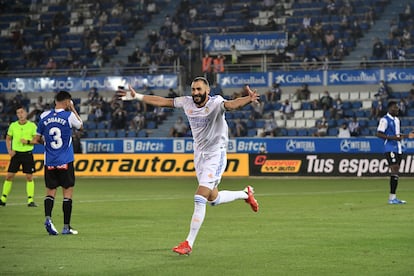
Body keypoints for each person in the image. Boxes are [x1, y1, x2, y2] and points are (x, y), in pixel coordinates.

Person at [118, 77, 259, 255]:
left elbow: (232, 105)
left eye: (199, 89)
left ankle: (188, 243)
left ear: (207, 90)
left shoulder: (216, 103)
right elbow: (163, 101)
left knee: (200, 197)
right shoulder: (187, 102)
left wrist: (248, 99)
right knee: (213, 199)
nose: (195, 93)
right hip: (199, 156)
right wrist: (137, 96)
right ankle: (246, 193)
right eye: (193, 89)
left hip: (216, 154)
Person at [33, 90, 83, 235]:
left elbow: (36, 139)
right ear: (67, 102)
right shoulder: (69, 116)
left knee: (50, 191)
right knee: (67, 192)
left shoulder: (44, 116)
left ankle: (48, 218)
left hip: (49, 161)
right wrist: (73, 108)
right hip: (65, 160)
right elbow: (81, 125)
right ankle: (66, 227)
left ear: (55, 101)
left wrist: (47, 143)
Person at [376, 101, 414, 204]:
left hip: (398, 148)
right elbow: (379, 134)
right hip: (389, 147)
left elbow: (397, 135)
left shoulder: (397, 120)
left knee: (395, 171)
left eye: (397, 108)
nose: (397, 109)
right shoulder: (385, 120)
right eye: (394, 107)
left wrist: (406, 136)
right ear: (389, 108)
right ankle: (392, 198)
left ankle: (393, 198)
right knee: (395, 168)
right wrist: (392, 138)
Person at [0, 105, 38, 207]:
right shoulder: (13, 125)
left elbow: (37, 140)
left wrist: (28, 141)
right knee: (9, 176)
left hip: (27, 154)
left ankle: (30, 200)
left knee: (29, 177)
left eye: (21, 112)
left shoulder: (32, 126)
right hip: (16, 154)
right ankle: (3, 199)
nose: (20, 115)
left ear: (26, 113)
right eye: (18, 113)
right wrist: (9, 150)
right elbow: (8, 138)